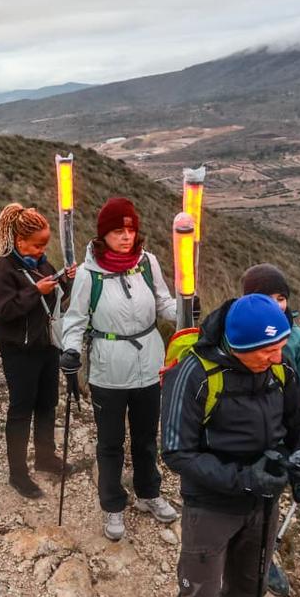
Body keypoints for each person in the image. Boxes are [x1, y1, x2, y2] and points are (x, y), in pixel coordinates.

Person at [152, 294, 300, 597]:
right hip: (212, 504)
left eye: (280, 346)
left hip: (263, 501)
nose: (277, 356)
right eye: (266, 350)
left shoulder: (281, 369)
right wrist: (245, 479)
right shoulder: (194, 374)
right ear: (239, 347)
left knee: (249, 588)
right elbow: (176, 452)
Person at [60, 197, 179, 540]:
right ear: (103, 235)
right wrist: (70, 350)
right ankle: (113, 505)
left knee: (145, 438)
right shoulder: (88, 274)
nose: (126, 237)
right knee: (110, 442)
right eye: (117, 231)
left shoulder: (146, 263)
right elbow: (75, 319)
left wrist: (185, 310)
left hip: (150, 364)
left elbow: (163, 303)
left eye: (130, 230)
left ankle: (148, 493)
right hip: (108, 368)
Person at [0, 204, 77, 498]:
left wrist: (65, 281)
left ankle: (45, 458)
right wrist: (36, 291)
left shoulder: (42, 265)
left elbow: (55, 302)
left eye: (45, 244)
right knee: (21, 410)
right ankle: (18, 473)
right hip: (19, 352)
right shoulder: (1, 269)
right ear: (19, 240)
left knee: (47, 404)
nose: (42, 250)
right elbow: (0, 311)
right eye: (37, 245)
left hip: (45, 346)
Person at [241, 263, 300, 597]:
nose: (276, 305)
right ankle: (232, 552)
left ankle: (264, 556)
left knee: (271, 493)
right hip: (243, 428)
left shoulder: (298, 339)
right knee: (241, 487)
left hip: (281, 429)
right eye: (265, 298)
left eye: (281, 298)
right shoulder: (236, 334)